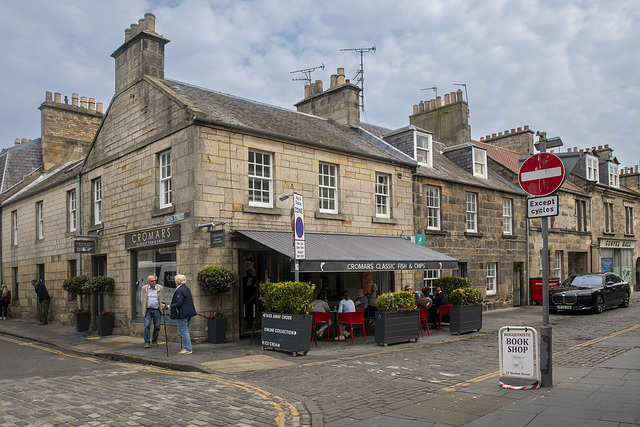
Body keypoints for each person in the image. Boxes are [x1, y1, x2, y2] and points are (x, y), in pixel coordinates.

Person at [161, 274, 196, 355]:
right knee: (185, 330)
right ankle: (187, 347)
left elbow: (179, 303)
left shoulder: (179, 290)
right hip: (188, 313)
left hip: (182, 313)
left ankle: (188, 348)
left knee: (183, 331)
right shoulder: (186, 288)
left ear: (177, 281)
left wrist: (168, 307)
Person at [140, 275, 164, 348]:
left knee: (157, 326)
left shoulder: (160, 288)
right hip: (148, 309)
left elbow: (162, 298)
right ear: (148, 282)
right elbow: (142, 299)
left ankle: (154, 340)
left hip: (156, 309)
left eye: (155, 281)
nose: (154, 282)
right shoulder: (144, 288)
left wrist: (162, 306)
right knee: (146, 325)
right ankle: (147, 342)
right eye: (152, 281)